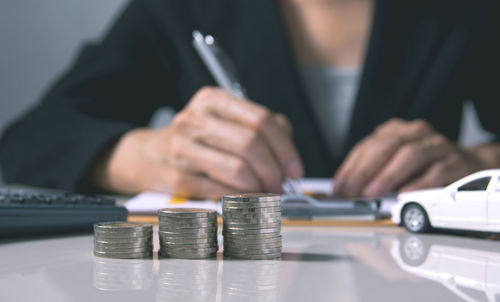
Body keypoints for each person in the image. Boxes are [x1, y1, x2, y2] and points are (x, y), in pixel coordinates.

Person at [1, 0, 499, 199]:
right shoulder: (181, 4)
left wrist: (479, 166)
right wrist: (146, 158)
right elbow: (31, 138)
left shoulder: (471, 8)